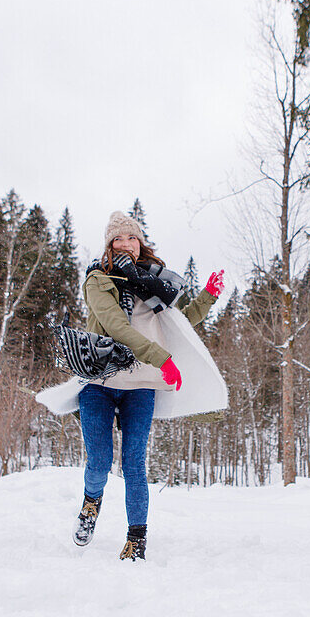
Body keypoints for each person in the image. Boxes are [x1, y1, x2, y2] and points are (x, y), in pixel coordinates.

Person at [73, 211, 225, 561]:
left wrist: (208, 297)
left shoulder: (153, 284)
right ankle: (91, 502)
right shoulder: (98, 280)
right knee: (99, 463)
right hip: (101, 379)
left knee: (134, 464)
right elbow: (117, 328)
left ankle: (136, 538)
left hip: (142, 384)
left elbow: (180, 323)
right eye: (118, 239)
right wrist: (162, 358)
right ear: (109, 245)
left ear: (140, 243)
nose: (126, 244)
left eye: (132, 238)